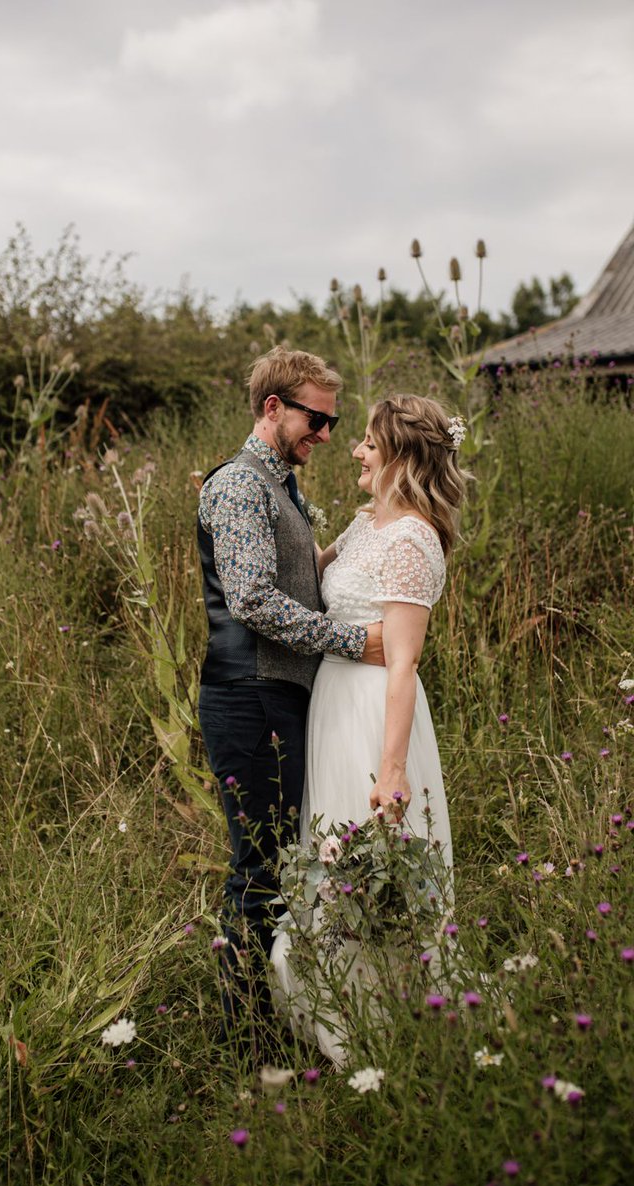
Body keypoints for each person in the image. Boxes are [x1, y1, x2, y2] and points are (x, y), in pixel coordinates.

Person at [270, 392, 471, 1067]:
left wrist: (391, 770)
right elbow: (305, 584)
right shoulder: (366, 526)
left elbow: (405, 661)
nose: (354, 450)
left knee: (366, 871)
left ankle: (385, 1033)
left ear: (400, 454)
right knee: (334, 862)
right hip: (332, 702)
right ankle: (340, 1020)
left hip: (373, 715)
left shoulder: (413, 537)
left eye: (366, 441)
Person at [196, 346, 384, 1050]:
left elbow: (286, 572)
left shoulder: (279, 486)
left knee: (278, 861)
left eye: (333, 422)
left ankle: (272, 1020)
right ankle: (243, 1040)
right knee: (258, 869)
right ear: (273, 407)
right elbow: (249, 598)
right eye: (318, 419)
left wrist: (357, 546)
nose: (328, 435)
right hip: (249, 697)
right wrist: (350, 640)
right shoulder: (241, 486)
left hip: (275, 695)